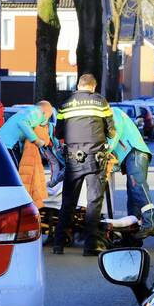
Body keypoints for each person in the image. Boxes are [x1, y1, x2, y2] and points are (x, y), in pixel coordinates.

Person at [53, 73, 115, 256]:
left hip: (73, 159)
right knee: (94, 202)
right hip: (95, 159)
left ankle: (58, 244)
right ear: (93, 87)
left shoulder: (65, 103)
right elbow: (111, 131)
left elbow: (58, 133)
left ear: (79, 85)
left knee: (68, 202)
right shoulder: (101, 102)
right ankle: (90, 245)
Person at [108, 106, 154, 239]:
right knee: (133, 195)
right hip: (132, 155)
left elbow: (115, 134)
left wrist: (105, 150)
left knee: (137, 188)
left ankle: (151, 223)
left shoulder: (114, 112)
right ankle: (132, 233)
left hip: (135, 152)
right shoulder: (110, 116)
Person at [0, 101, 54, 165]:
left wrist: (22, 150)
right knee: (14, 172)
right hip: (9, 145)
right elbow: (22, 123)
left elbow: (21, 135)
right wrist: (36, 140)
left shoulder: (25, 111)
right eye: (48, 117)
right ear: (46, 112)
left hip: (0, 143)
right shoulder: (37, 112)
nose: (47, 120)